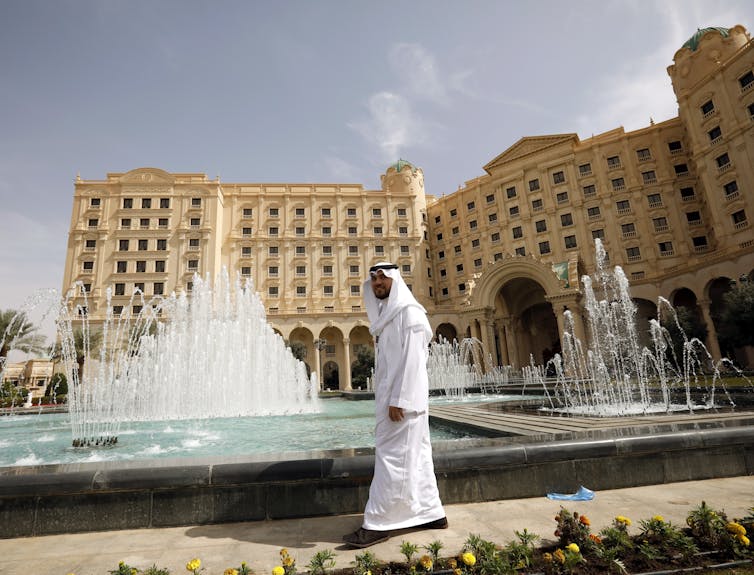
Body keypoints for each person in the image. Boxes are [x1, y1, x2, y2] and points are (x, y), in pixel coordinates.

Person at [343, 262, 447, 548]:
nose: (377, 283)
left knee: (392, 460)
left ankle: (379, 523)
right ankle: (430, 512)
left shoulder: (409, 314)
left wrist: (399, 400)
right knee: (418, 458)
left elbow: (414, 362)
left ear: (395, 281)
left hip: (402, 403)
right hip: (397, 400)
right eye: (374, 279)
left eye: (383, 278)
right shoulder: (390, 317)